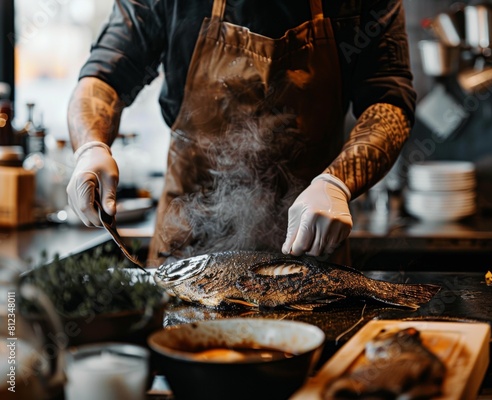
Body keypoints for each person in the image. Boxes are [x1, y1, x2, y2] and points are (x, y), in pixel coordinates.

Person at [66, 0, 416, 267]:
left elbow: (390, 101)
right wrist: (90, 147)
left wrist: (337, 183)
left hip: (311, 247)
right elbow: (106, 74)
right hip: (186, 250)